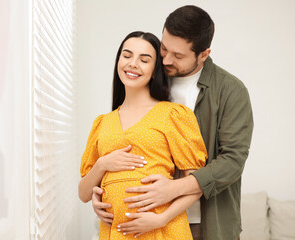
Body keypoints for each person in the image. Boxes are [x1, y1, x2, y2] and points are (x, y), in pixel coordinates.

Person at [91, 5, 254, 240]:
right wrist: (101, 192)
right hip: (146, 222)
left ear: (203, 54)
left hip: (205, 224)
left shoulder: (230, 91)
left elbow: (232, 161)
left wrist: (172, 189)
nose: (166, 59)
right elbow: (124, 138)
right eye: (164, 48)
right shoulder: (148, 75)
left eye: (178, 56)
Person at [78, 31, 207, 239]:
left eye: (144, 60)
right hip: (116, 232)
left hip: (163, 230)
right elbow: (83, 194)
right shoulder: (102, 123)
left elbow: (196, 185)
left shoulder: (173, 115)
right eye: (127, 55)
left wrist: (161, 218)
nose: (133, 64)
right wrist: (102, 164)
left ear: (155, 70)